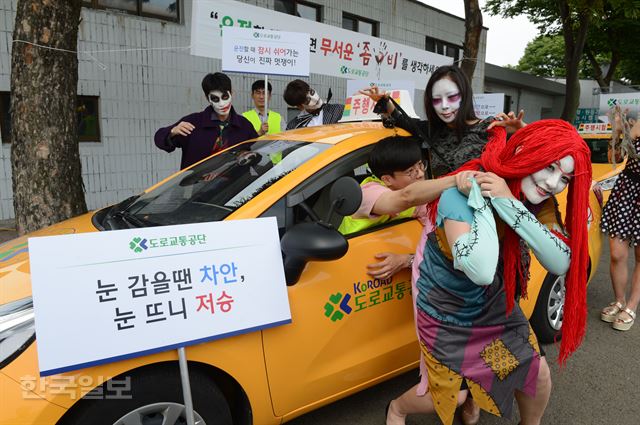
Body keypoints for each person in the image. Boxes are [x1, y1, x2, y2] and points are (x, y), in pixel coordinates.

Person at [385, 120, 592, 425]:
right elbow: (479, 269)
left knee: (536, 372)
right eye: (548, 168)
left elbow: (560, 262)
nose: (552, 184)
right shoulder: (463, 188)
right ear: (524, 152)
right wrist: (487, 201)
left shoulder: (537, 200)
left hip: (492, 305)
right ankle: (397, 408)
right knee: (448, 395)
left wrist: (508, 202)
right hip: (446, 308)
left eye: (564, 178)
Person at [361, 65, 525, 425]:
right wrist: (386, 105)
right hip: (440, 249)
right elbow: (408, 124)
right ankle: (439, 396)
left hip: (484, 246)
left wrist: (518, 135)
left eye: (452, 97)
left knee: (494, 332)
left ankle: (472, 394)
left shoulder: (488, 131)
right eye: (436, 99)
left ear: (465, 95)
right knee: (448, 341)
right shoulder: (429, 136)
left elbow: (523, 168)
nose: (445, 106)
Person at [155, 72, 258, 170]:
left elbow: (258, 154)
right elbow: (159, 139)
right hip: (197, 186)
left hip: (235, 186)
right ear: (207, 98)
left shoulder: (244, 125)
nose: (222, 104)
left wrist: (244, 154)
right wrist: (172, 132)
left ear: (232, 93)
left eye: (225, 97)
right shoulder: (192, 123)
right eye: (215, 99)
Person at [600, 107, 640, 331]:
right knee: (616, 253)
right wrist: (619, 132)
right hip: (627, 191)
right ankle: (619, 300)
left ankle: (631, 305)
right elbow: (613, 159)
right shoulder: (634, 122)